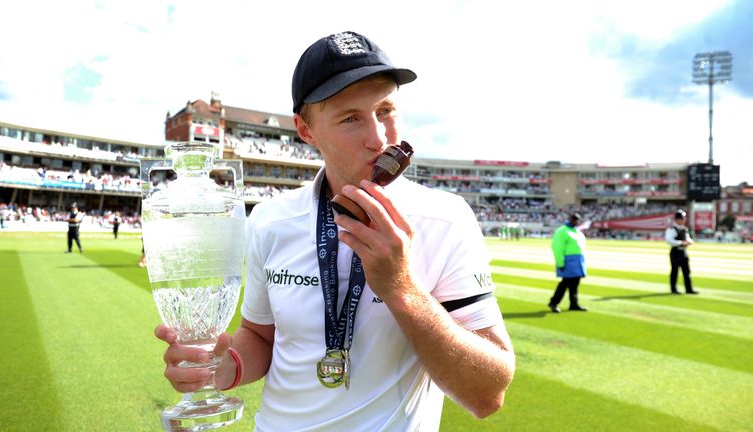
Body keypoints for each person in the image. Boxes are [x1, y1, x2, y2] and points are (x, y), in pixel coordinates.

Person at [155, 31, 515, 430]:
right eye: (350, 118)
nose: (378, 139)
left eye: (385, 110)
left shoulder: (445, 218)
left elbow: (488, 393)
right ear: (306, 130)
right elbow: (260, 336)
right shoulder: (271, 220)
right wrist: (221, 367)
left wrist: (401, 288)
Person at [548, 212, 587, 313]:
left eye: (577, 219)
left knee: (575, 283)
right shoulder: (562, 231)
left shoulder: (576, 231)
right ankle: (554, 303)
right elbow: (557, 248)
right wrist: (560, 263)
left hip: (577, 261)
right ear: (570, 219)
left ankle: (573, 303)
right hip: (568, 261)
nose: (576, 221)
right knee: (565, 283)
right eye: (574, 219)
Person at [665, 209, 698, 294]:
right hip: (675, 252)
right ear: (677, 219)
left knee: (686, 271)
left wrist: (689, 241)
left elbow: (687, 238)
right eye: (683, 218)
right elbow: (669, 240)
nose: (684, 220)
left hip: (683, 252)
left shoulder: (684, 229)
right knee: (675, 271)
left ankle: (689, 289)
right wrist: (681, 242)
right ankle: (674, 289)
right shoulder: (672, 229)